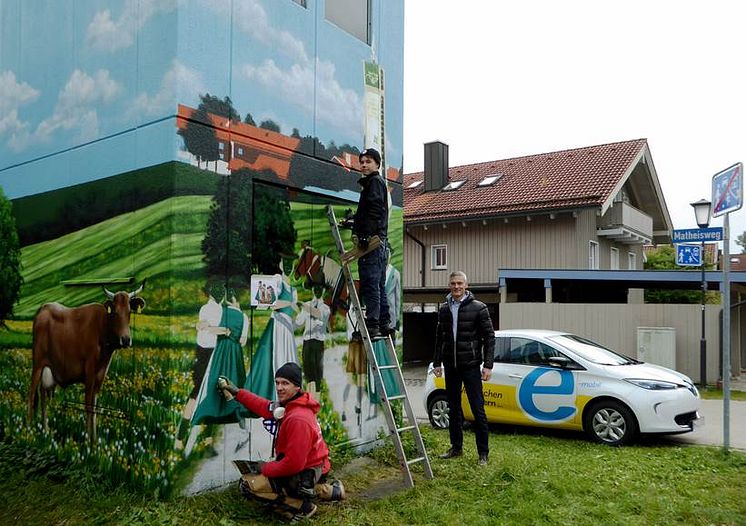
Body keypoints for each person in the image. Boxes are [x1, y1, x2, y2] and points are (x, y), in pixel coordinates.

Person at [219, 362, 344, 521]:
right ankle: (330, 491)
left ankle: (303, 508)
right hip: (317, 467)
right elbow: (264, 407)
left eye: (285, 383)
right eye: (277, 382)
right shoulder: (292, 405)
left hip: (305, 472)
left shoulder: (298, 419)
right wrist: (238, 393)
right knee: (264, 472)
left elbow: (293, 464)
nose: (279, 388)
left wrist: (266, 468)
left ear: (297, 386)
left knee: (248, 485)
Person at [432, 271, 495, 466]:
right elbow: (439, 337)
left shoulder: (479, 308)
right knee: (454, 408)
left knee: (478, 409)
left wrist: (488, 365)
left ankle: (483, 453)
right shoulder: (444, 308)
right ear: (449, 286)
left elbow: (489, 338)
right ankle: (456, 447)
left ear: (466, 285)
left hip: (471, 366)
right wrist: (437, 363)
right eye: (453, 284)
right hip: (451, 366)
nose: (456, 287)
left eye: (460, 283)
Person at [175, 281, 225, 451]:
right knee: (212, 395)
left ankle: (180, 437)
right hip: (212, 354)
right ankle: (208, 438)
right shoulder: (219, 310)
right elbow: (206, 327)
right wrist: (222, 330)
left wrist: (210, 328)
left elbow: (202, 326)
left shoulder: (206, 309)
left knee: (195, 395)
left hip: (202, 354)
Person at [191, 288, 249, 427]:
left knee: (216, 381)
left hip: (221, 350)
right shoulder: (244, 317)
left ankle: (212, 414)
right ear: (235, 300)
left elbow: (211, 328)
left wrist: (205, 327)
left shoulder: (221, 312)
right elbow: (243, 341)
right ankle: (238, 417)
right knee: (236, 381)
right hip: (235, 352)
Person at [351, 147, 390, 339]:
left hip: (372, 244)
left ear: (377, 164)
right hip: (380, 242)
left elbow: (375, 210)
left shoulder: (374, 182)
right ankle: (384, 323)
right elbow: (372, 211)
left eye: (368, 161)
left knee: (370, 284)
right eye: (362, 162)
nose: (364, 165)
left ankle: (372, 326)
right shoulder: (376, 183)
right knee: (379, 285)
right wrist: (355, 220)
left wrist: (365, 234)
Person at [295, 285, 331, 399]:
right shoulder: (307, 305)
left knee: (317, 373)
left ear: (324, 290)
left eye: (320, 289)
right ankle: (310, 400)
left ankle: (317, 403)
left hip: (318, 342)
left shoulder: (325, 308)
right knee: (308, 372)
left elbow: (319, 315)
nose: (317, 291)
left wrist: (304, 307)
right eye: (316, 289)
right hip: (307, 342)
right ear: (312, 290)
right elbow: (299, 322)